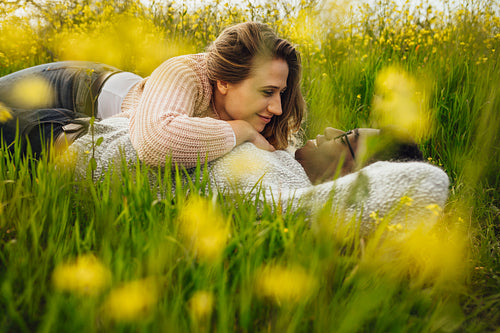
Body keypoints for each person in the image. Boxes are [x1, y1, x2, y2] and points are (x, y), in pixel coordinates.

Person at [0, 21, 305, 167]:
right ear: (225, 81)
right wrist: (241, 131)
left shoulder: (264, 115)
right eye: (268, 92)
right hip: (74, 85)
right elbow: (157, 144)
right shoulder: (184, 71)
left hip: (79, 120)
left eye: (281, 93)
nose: (278, 108)